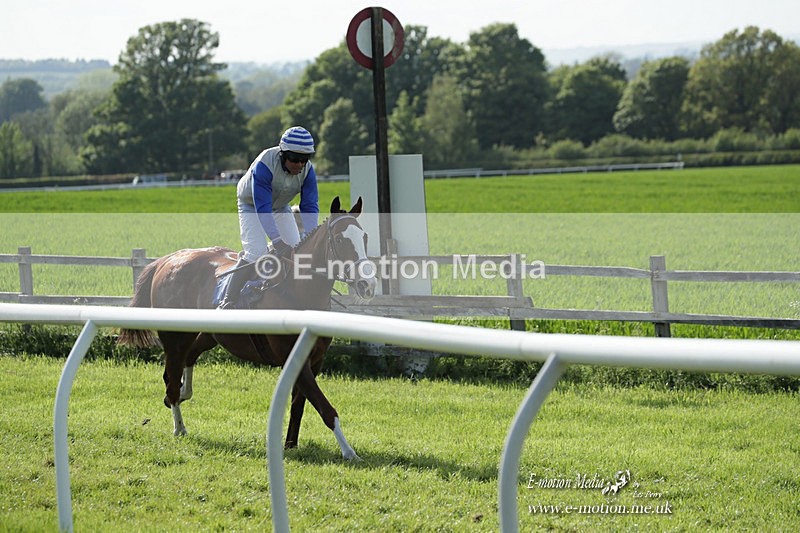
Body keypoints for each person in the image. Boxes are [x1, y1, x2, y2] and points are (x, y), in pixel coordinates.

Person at [218, 126, 320, 309]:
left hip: (280, 206)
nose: (299, 165)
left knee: (297, 250)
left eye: (304, 160)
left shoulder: (308, 171)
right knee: (256, 252)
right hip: (252, 204)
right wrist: (277, 240)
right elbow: (263, 207)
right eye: (294, 159)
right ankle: (228, 300)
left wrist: (311, 236)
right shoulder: (265, 165)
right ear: (282, 154)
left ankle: (291, 295)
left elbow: (309, 206)